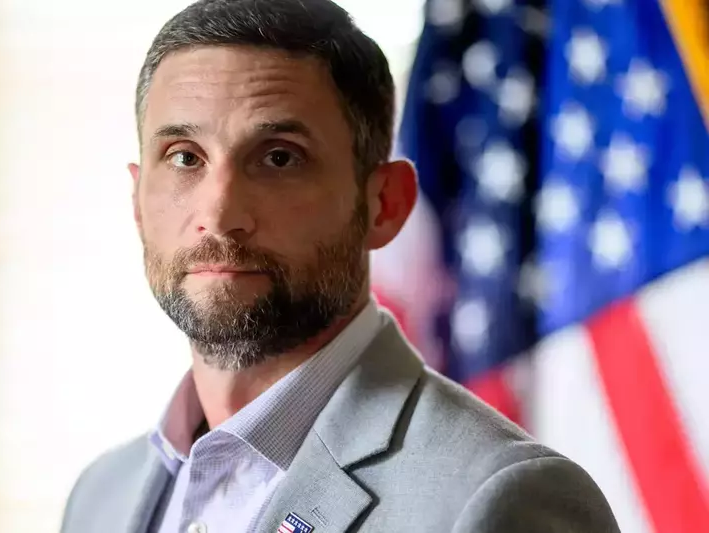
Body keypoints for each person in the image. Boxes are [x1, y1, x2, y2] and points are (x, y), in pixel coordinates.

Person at [61, 0, 620, 531]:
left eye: (279, 157)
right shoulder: (101, 495)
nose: (219, 213)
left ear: (385, 205)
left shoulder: (503, 499)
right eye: (184, 157)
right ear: (138, 203)